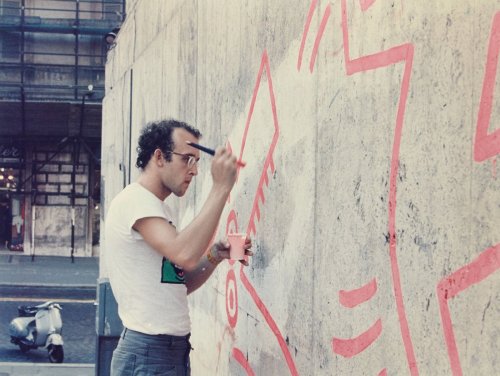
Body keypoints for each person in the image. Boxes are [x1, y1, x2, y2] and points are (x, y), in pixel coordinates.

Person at [105, 119, 252, 375]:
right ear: (159, 157)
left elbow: (178, 285)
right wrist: (221, 187)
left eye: (197, 161)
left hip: (168, 352)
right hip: (149, 354)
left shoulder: (158, 209)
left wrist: (214, 256)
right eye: (187, 159)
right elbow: (183, 254)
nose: (194, 171)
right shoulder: (135, 201)